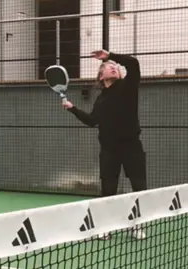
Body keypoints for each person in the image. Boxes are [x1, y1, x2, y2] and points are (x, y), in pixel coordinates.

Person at [62, 49, 147, 240]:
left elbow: (133, 63)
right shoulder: (101, 99)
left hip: (132, 146)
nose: (114, 67)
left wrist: (110, 56)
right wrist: (72, 108)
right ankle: (105, 227)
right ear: (102, 75)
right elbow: (93, 121)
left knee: (139, 187)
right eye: (109, 67)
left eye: (115, 66)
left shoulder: (128, 86)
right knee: (108, 189)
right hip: (109, 149)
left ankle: (136, 225)